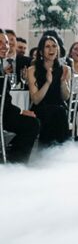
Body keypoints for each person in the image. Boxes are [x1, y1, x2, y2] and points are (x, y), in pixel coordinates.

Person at [0, 31, 39, 163]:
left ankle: (12, 159)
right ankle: (16, 163)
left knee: (33, 121)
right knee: (31, 124)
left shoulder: (1, 66)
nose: (5, 46)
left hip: (4, 112)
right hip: (3, 113)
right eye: (0, 43)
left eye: (6, 42)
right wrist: (21, 111)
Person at [26, 33, 71, 146]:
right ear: (41, 52)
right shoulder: (32, 70)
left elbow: (66, 97)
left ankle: (59, 152)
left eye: (54, 46)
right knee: (55, 112)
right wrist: (48, 82)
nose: (51, 49)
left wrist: (62, 82)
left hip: (58, 107)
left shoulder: (65, 69)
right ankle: (48, 151)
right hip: (40, 108)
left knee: (59, 111)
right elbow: (35, 100)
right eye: (47, 46)